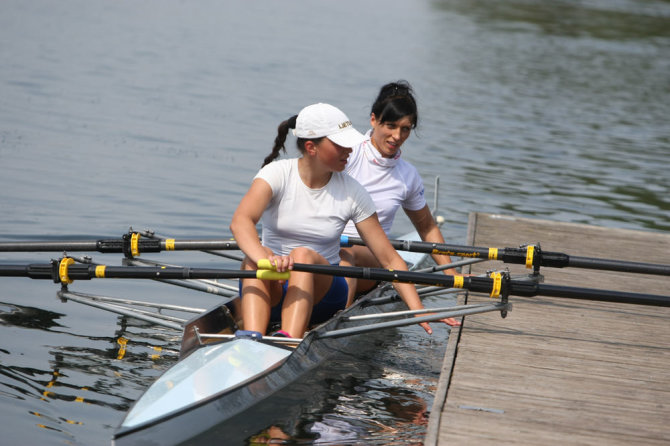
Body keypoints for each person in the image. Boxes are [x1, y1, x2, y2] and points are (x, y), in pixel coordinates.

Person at [229, 103, 451, 338]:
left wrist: (417, 309)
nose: (350, 150)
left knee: (303, 255)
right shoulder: (276, 174)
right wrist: (265, 258)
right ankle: (251, 338)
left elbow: (389, 258)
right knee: (253, 256)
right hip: (274, 282)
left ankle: (289, 341)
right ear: (311, 147)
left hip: (324, 294)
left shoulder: (353, 192)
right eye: (340, 144)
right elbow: (240, 222)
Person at [339, 81, 465, 323]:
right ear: (373, 120)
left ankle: (331, 320)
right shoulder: (347, 154)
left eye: (405, 129)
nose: (397, 136)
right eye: (391, 126)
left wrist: (452, 276)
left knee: (345, 253)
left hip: (372, 257)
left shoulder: (407, 176)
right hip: (323, 248)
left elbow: (427, 228)